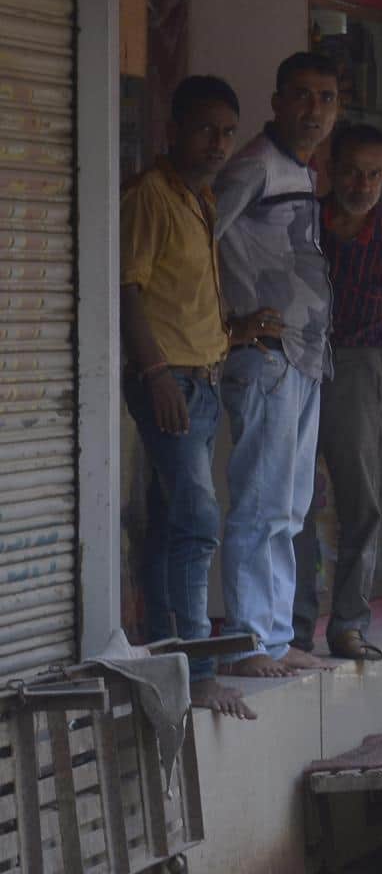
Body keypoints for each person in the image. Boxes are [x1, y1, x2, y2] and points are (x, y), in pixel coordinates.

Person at [120, 75, 260, 720]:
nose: (219, 143)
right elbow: (128, 288)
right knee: (199, 523)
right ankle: (198, 672)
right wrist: (153, 373)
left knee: (171, 521)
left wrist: (234, 333)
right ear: (173, 130)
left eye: (228, 132)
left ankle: (162, 653)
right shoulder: (151, 195)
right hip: (169, 380)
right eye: (206, 129)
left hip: (201, 378)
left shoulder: (197, 198)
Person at [213, 51, 341, 680]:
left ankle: (274, 633)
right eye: (300, 95)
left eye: (325, 98)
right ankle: (244, 641)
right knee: (261, 504)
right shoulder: (253, 168)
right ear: (276, 101)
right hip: (265, 358)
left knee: (289, 509)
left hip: (304, 357)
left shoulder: (301, 172)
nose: (312, 110)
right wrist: (225, 324)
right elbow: (194, 241)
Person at [291, 124, 382, 664]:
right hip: (296, 360)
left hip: (360, 368)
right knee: (293, 501)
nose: (362, 184)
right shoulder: (302, 224)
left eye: (374, 175)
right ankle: (295, 627)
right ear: (330, 168)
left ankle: (348, 622)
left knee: (362, 503)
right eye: (353, 171)